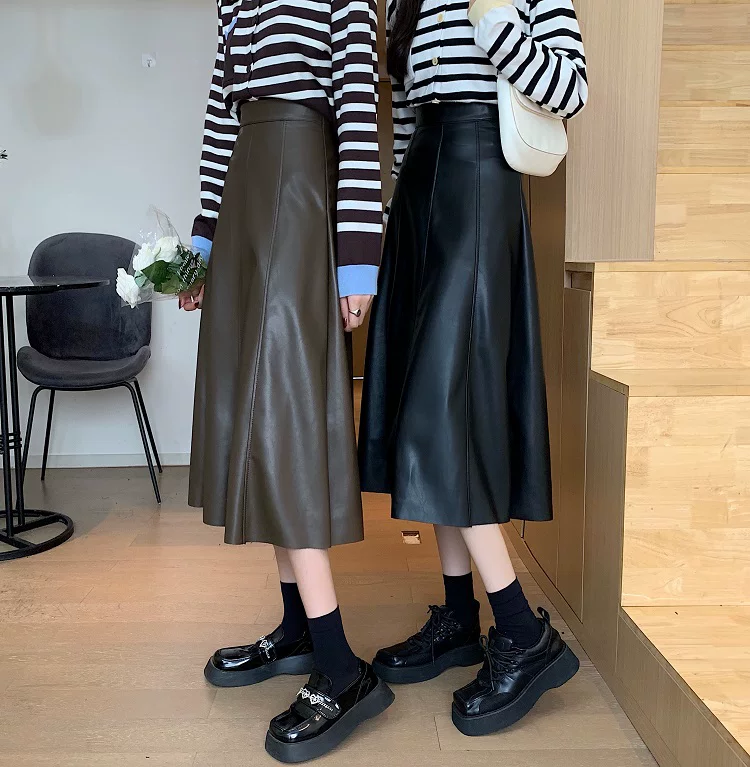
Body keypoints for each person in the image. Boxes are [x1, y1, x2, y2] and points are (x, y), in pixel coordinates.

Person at [358, 0, 588, 736]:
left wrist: (494, 24)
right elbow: (408, 112)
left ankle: (522, 632)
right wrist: (392, 216)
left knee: (443, 413)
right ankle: (460, 616)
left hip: (482, 182)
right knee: (424, 407)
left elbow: (570, 90)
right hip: (421, 195)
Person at [180, 0, 393, 761]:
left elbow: (359, 114)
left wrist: (358, 253)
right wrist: (204, 242)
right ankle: (300, 628)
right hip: (246, 193)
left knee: (284, 419)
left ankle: (343, 668)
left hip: (301, 190)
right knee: (252, 419)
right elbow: (220, 118)